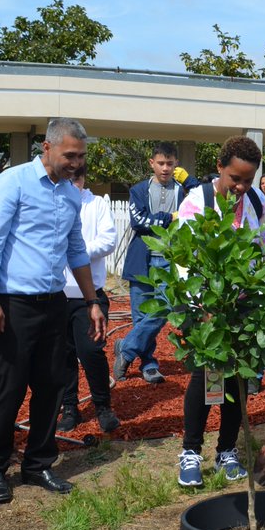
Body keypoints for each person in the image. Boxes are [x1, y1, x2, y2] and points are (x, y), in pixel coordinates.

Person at [0, 117, 107, 504]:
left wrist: (91, 301)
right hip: (15, 305)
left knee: (52, 385)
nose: (76, 162)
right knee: (10, 386)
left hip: (55, 302)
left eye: (81, 156)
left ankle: (37, 463)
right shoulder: (12, 183)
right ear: (46, 148)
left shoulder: (70, 193)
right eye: (70, 154)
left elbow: (76, 250)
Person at [175, 135, 265, 487]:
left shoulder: (255, 200)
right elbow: (182, 261)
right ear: (220, 168)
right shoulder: (197, 203)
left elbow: (263, 242)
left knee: (238, 378)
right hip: (207, 308)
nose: (242, 186)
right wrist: (203, 307)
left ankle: (227, 451)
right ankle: (190, 452)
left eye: (248, 180)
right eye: (236, 179)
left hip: (242, 306)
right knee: (207, 379)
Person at [116, 142, 196, 384]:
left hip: (171, 261)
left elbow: (202, 204)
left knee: (162, 310)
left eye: (170, 164)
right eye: (161, 163)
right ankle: (149, 364)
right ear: (152, 163)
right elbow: (139, 221)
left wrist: (189, 181)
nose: (165, 168)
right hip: (142, 259)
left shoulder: (184, 191)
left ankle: (126, 348)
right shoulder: (139, 190)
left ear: (176, 165)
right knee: (141, 316)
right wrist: (170, 218)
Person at [57, 165, 119, 434]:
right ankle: (69, 407)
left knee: (91, 350)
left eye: (77, 179)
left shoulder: (97, 205)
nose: (73, 184)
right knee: (63, 355)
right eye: (68, 179)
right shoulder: (54, 203)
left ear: (83, 179)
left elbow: (108, 240)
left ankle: (103, 406)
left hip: (89, 295)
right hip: (58, 294)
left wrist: (77, 252)